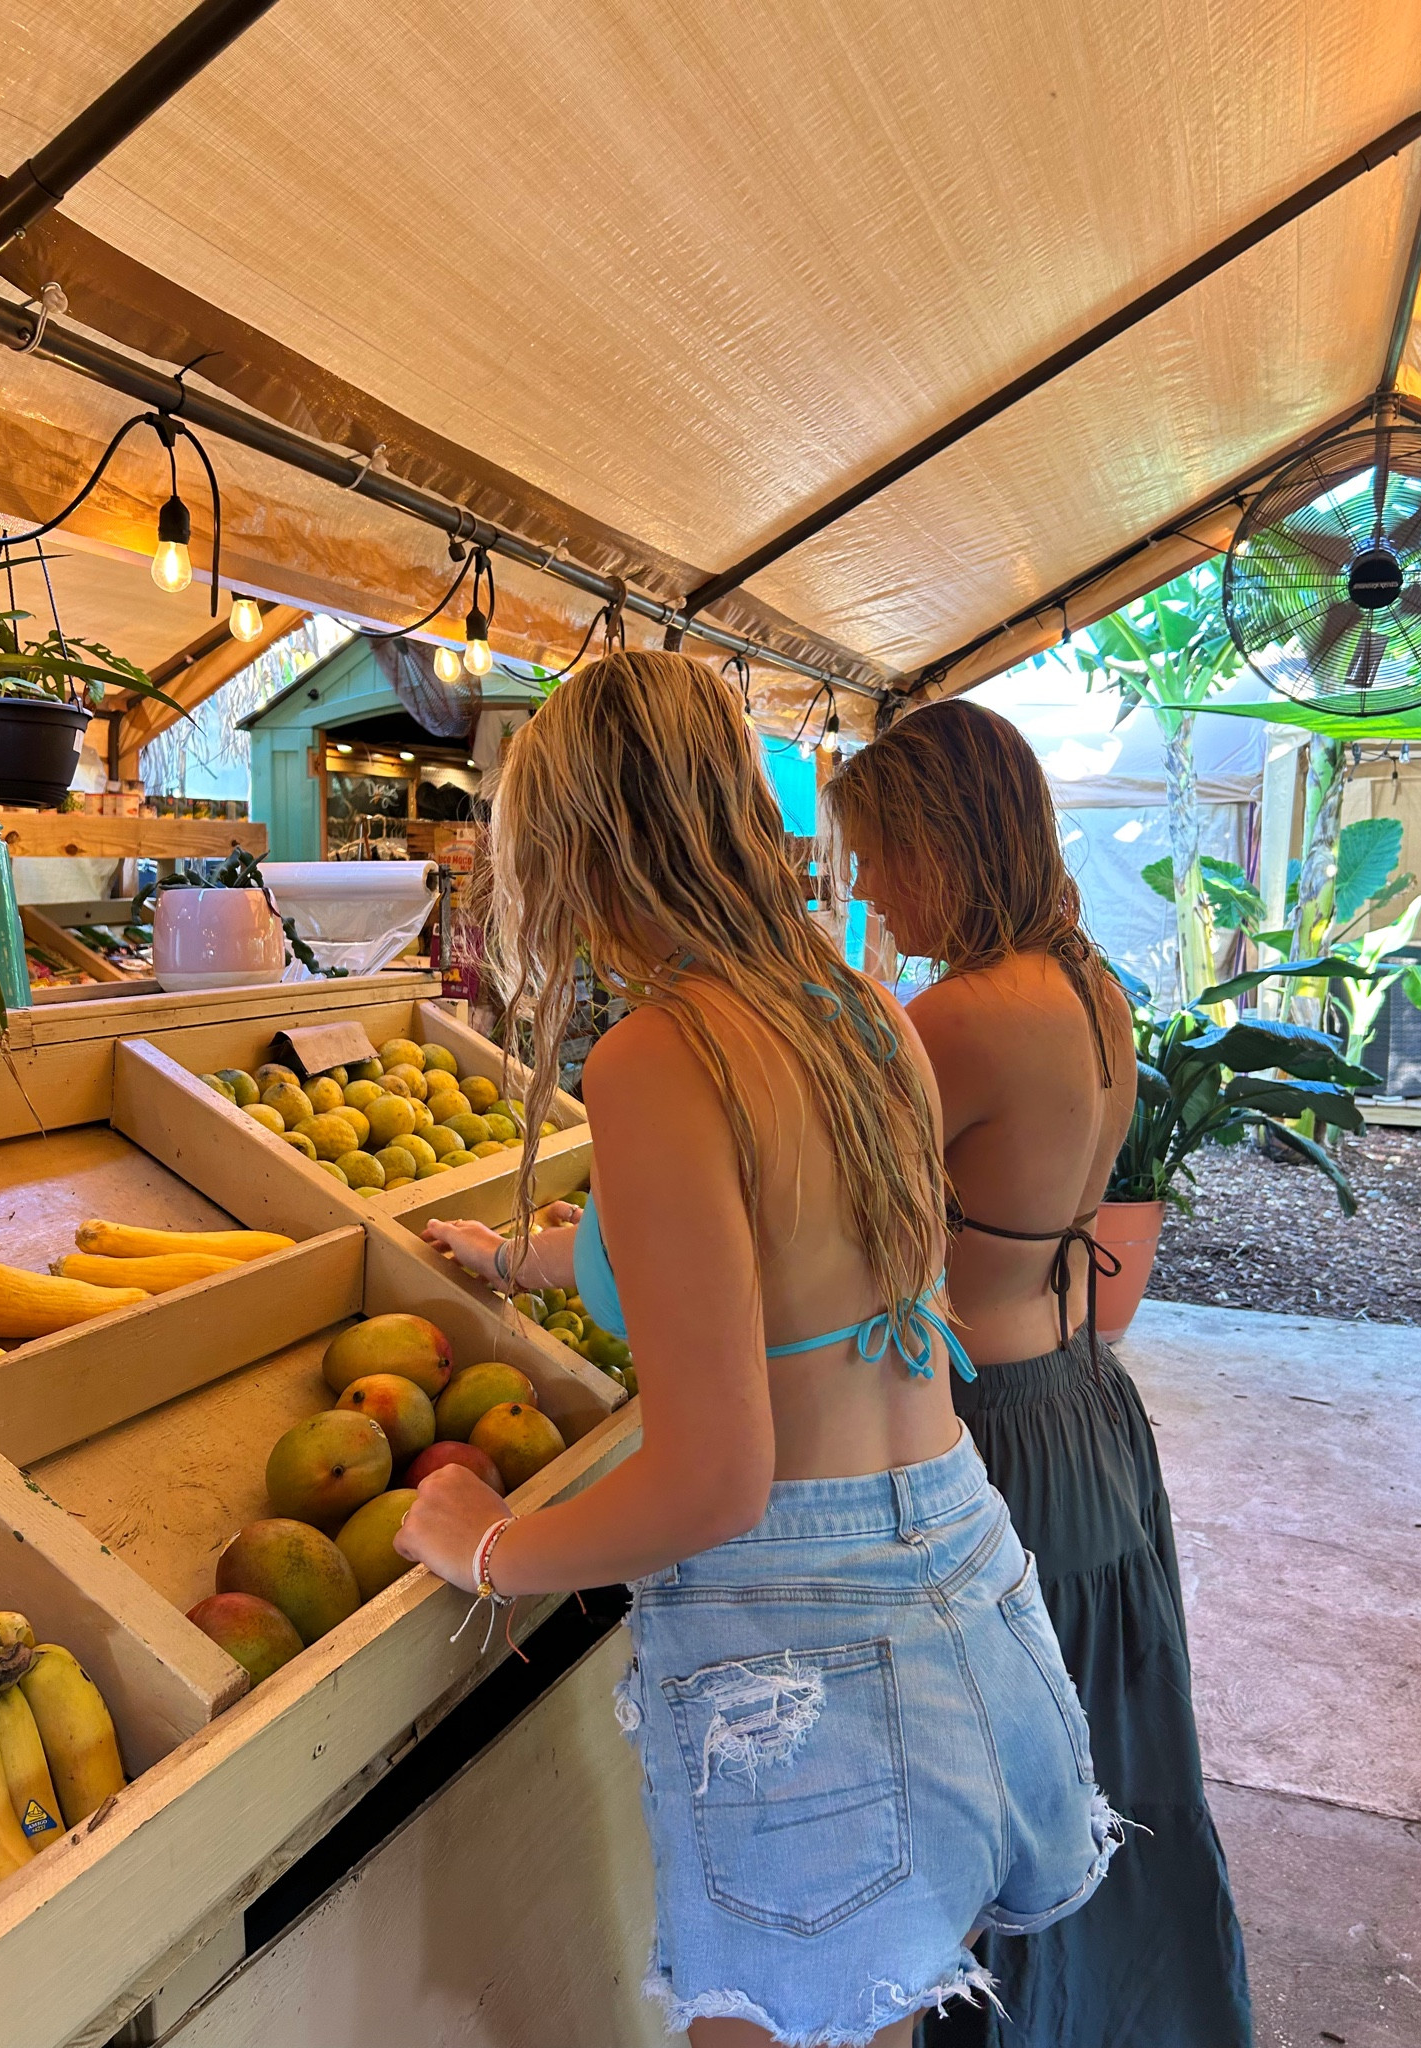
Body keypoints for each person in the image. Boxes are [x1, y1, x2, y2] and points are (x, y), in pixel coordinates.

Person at [395, 651, 1121, 2048]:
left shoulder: (658, 1054)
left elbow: (715, 1483)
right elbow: (794, 1265)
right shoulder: (859, 1016)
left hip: (816, 1653)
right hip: (969, 1584)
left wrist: (484, 1543)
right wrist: (522, 1257)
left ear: (575, 843)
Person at [825, 699, 1252, 2048]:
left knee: (992, 1807)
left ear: (945, 841)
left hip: (993, 1440)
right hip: (1084, 1407)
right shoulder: (1090, 988)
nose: (878, 896)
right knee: (1101, 1772)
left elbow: (793, 1213)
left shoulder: (952, 1018)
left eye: (883, 856)